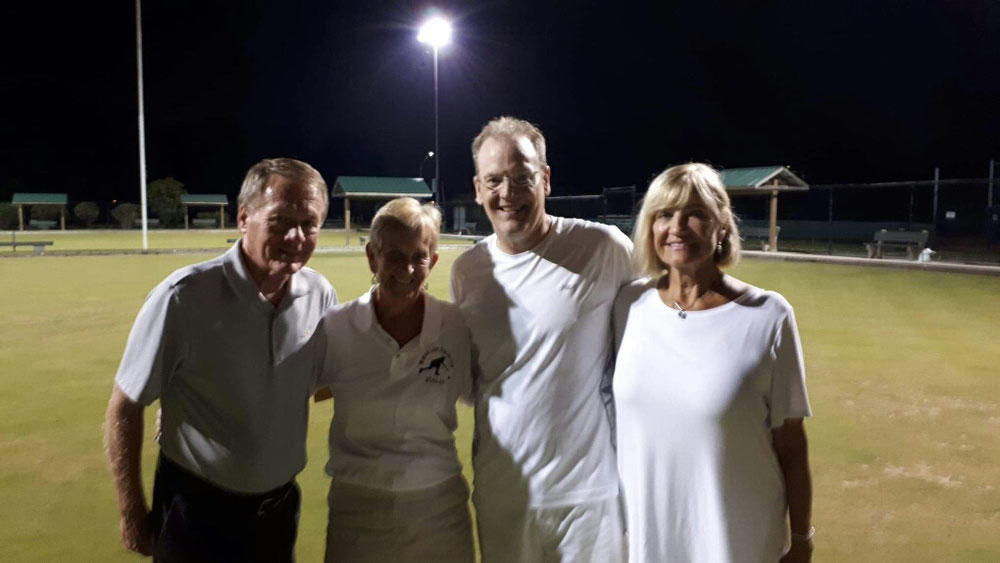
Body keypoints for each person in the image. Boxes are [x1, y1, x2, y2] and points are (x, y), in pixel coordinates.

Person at [104, 158, 336, 562]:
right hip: (195, 512)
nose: (297, 236)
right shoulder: (182, 297)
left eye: (310, 223)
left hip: (278, 513)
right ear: (244, 218)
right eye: (280, 220)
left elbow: (323, 384)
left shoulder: (320, 294)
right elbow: (125, 406)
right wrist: (130, 511)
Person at [450, 116, 633, 562]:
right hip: (502, 494)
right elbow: (474, 380)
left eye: (521, 177)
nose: (507, 193)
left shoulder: (605, 248)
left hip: (589, 497)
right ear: (478, 189)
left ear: (545, 179)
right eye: (494, 180)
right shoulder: (467, 271)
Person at [612, 163, 814, 562]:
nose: (678, 227)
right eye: (665, 215)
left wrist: (802, 538)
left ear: (722, 226)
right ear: (650, 227)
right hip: (647, 541)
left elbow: (792, 445)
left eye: (696, 215)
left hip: (738, 541)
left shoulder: (769, 315)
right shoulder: (627, 304)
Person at [317, 197, 475, 562]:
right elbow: (283, 387)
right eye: (393, 255)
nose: (406, 268)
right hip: (357, 507)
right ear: (372, 257)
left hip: (439, 508)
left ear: (433, 261)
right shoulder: (336, 326)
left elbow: (486, 391)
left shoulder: (455, 325)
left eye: (418, 256)